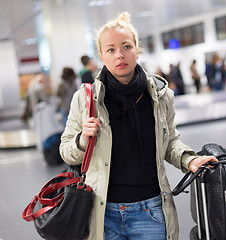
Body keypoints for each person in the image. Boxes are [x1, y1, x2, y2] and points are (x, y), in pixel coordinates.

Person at [59, 11, 217, 240]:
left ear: (137, 49)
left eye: (126, 47)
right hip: (104, 214)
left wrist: (189, 160)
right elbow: (66, 151)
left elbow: (170, 141)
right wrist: (83, 139)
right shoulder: (85, 99)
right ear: (102, 56)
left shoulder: (161, 95)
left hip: (151, 211)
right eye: (110, 50)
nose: (119, 55)